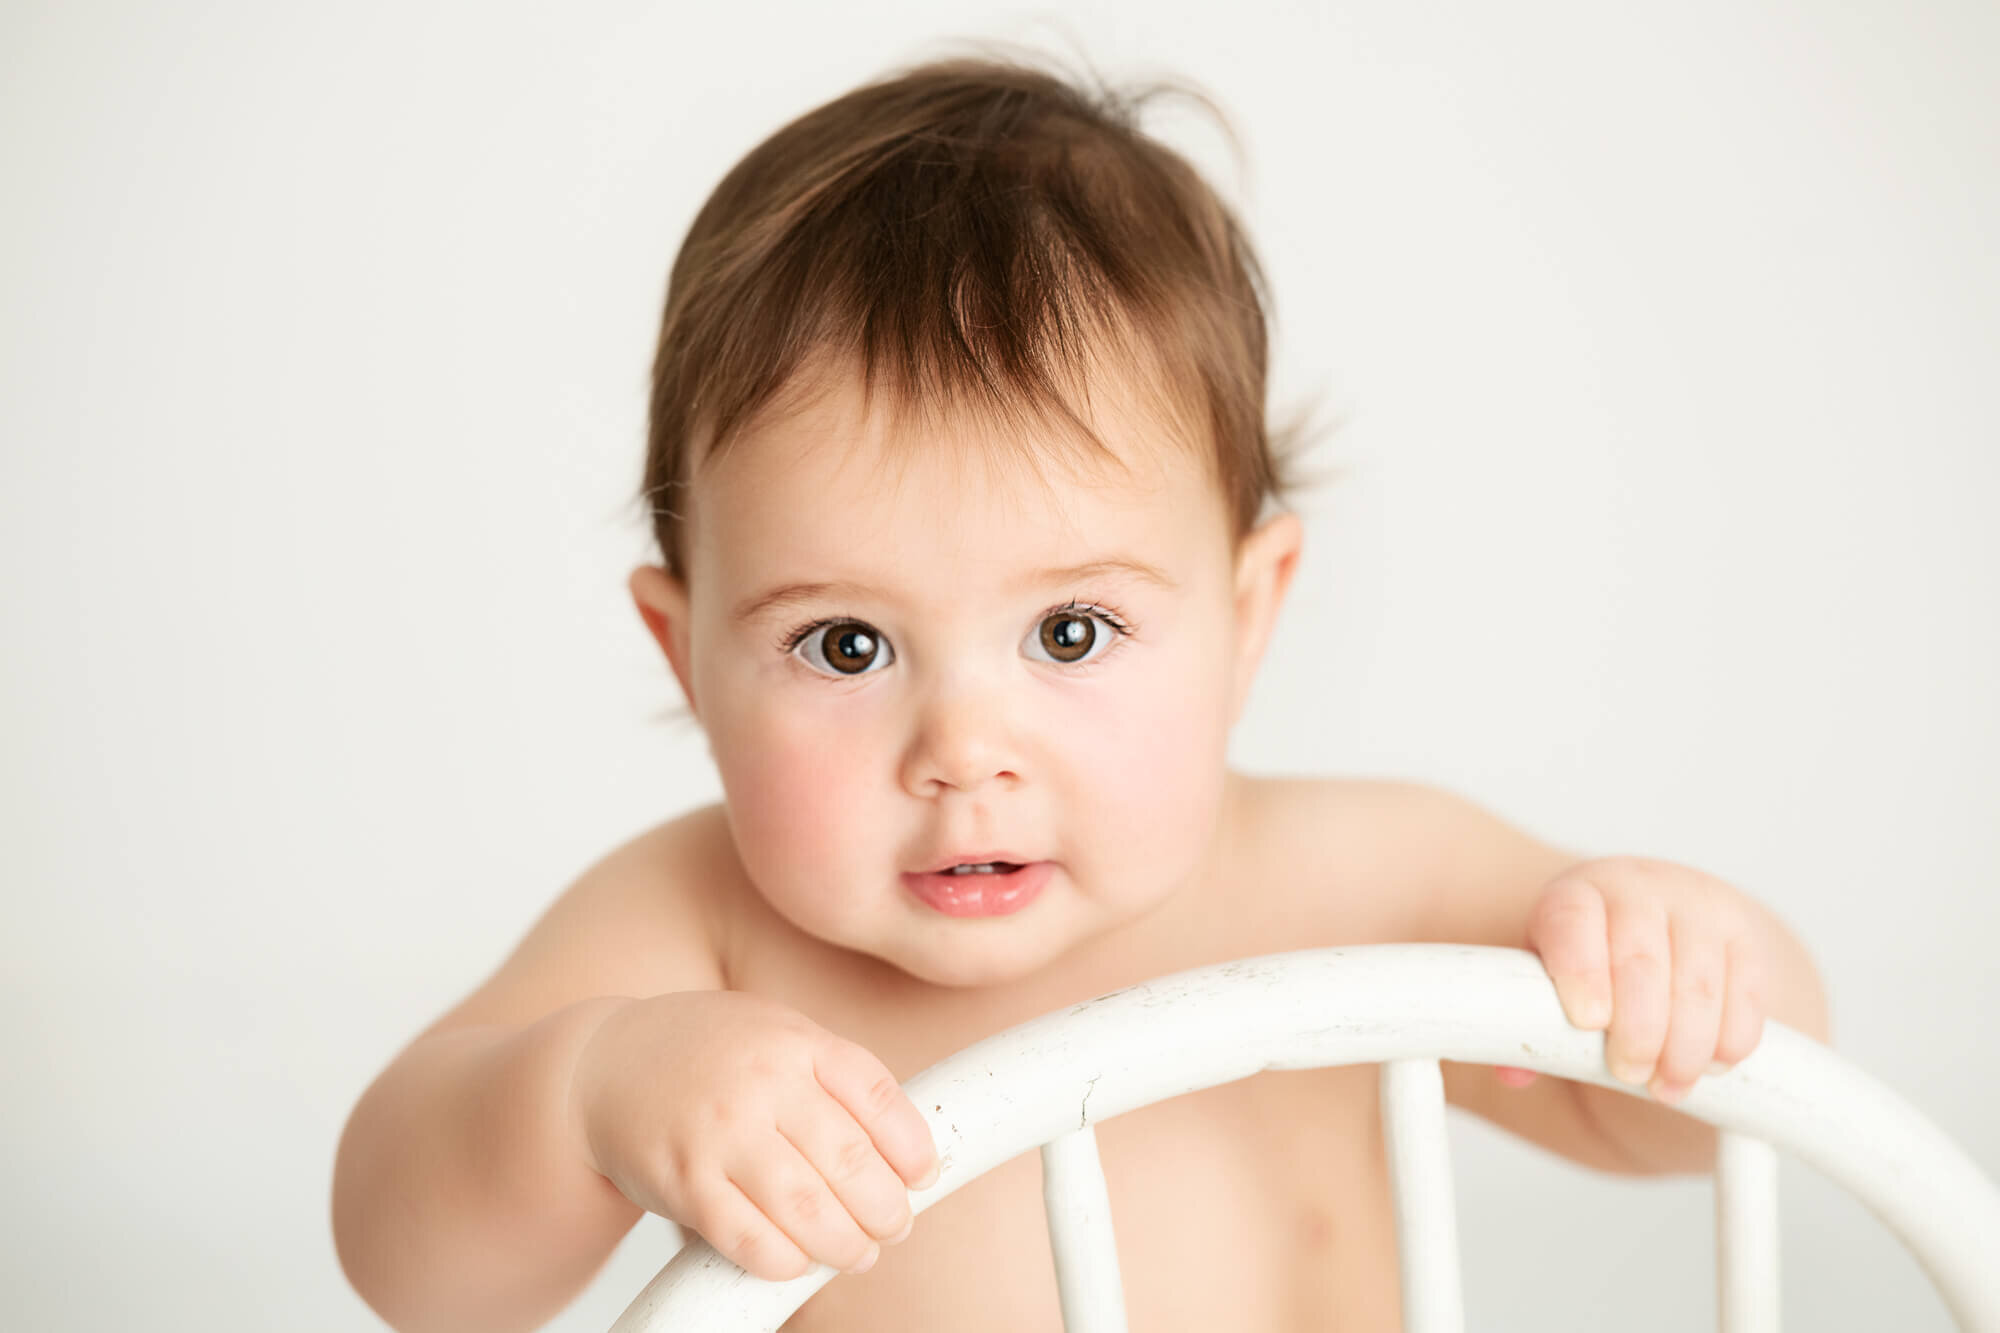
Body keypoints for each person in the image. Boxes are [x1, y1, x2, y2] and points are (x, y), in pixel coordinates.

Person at [331, 47, 1830, 1332]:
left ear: (1249, 615)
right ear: (688, 652)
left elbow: (1700, 1112)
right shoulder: (703, 937)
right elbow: (407, 1259)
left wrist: (1681, 958)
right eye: (845, 645)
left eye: (1069, 633)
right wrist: (592, 1088)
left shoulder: (1371, 881)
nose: (965, 751)